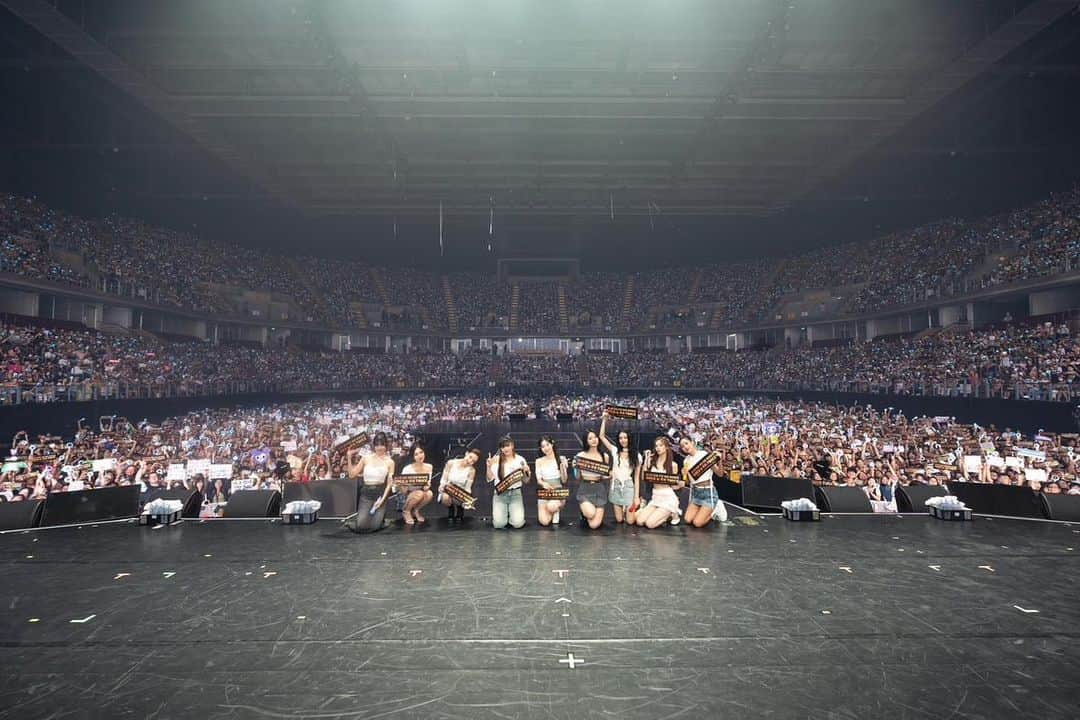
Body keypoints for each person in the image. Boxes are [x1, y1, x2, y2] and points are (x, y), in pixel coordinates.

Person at [343, 432, 394, 533]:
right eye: (377, 445)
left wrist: (382, 500)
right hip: (366, 494)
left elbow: (389, 483)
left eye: (382, 445)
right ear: (374, 446)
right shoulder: (366, 458)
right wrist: (349, 457)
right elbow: (352, 474)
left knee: (375, 526)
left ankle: (381, 518)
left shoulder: (390, 462)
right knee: (361, 526)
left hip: (380, 494)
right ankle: (364, 519)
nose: (380, 448)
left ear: (386, 446)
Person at [599, 411, 641, 525]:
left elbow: (636, 478)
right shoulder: (615, 451)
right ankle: (624, 510)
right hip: (615, 486)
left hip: (628, 487)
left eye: (625, 438)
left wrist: (636, 497)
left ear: (629, 439)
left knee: (630, 521)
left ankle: (642, 505)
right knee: (619, 520)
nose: (623, 440)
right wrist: (604, 420)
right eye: (621, 438)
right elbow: (601, 436)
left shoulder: (637, 455)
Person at [636, 436, 684, 529]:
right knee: (639, 521)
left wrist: (680, 484)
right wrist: (646, 461)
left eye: (660, 445)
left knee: (650, 524)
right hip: (656, 497)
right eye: (656, 446)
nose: (658, 448)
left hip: (667, 498)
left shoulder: (673, 465)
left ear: (666, 447)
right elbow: (643, 477)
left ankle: (671, 513)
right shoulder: (652, 461)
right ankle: (660, 515)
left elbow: (673, 486)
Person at [679, 436, 725, 528]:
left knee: (697, 523)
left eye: (686, 443)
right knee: (688, 520)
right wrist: (684, 475)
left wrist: (719, 461)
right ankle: (704, 510)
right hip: (696, 493)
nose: (685, 447)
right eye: (682, 446)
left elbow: (720, 474)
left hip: (708, 493)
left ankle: (715, 509)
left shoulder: (704, 455)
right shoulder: (686, 461)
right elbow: (689, 482)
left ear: (692, 442)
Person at [487, 436, 529, 529]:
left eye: (507, 445)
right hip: (500, 495)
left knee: (518, 524)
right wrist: (488, 467)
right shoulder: (496, 460)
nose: (505, 449)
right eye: (502, 447)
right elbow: (490, 478)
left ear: (512, 446)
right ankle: (504, 514)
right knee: (499, 525)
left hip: (515, 494)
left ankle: (511, 514)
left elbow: (526, 480)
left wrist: (526, 472)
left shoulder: (520, 460)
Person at [574, 429, 610, 530]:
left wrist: (611, 474)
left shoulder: (604, 456)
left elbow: (604, 476)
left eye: (595, 437)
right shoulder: (580, 456)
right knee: (590, 514)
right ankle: (585, 512)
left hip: (599, 489)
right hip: (585, 489)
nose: (594, 440)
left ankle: (591, 513)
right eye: (590, 438)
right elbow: (577, 477)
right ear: (586, 441)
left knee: (594, 525)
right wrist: (576, 468)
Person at [438, 447, 481, 521]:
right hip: (447, 489)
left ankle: (459, 508)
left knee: (459, 500)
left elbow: (468, 487)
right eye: (470, 457)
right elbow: (444, 478)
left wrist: (467, 498)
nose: (470, 461)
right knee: (445, 498)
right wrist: (442, 485)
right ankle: (450, 508)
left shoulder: (472, 470)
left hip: (459, 492)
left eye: (473, 461)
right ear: (466, 453)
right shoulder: (451, 463)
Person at [535, 435, 569, 527]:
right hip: (545, 492)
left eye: (547, 445)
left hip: (557, 492)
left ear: (552, 444)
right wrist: (543, 483)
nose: (546, 448)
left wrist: (563, 467)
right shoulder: (538, 461)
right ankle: (551, 511)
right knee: (544, 522)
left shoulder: (561, 458)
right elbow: (539, 480)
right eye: (543, 446)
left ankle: (555, 509)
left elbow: (564, 480)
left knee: (551, 506)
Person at [398, 443, 434, 525]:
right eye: (416, 454)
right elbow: (403, 491)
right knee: (419, 493)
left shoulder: (429, 467)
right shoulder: (407, 469)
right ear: (413, 457)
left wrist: (427, 486)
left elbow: (428, 483)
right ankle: (406, 511)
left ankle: (415, 510)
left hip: (420, 492)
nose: (420, 456)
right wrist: (404, 485)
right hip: (407, 494)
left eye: (421, 452)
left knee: (429, 493)